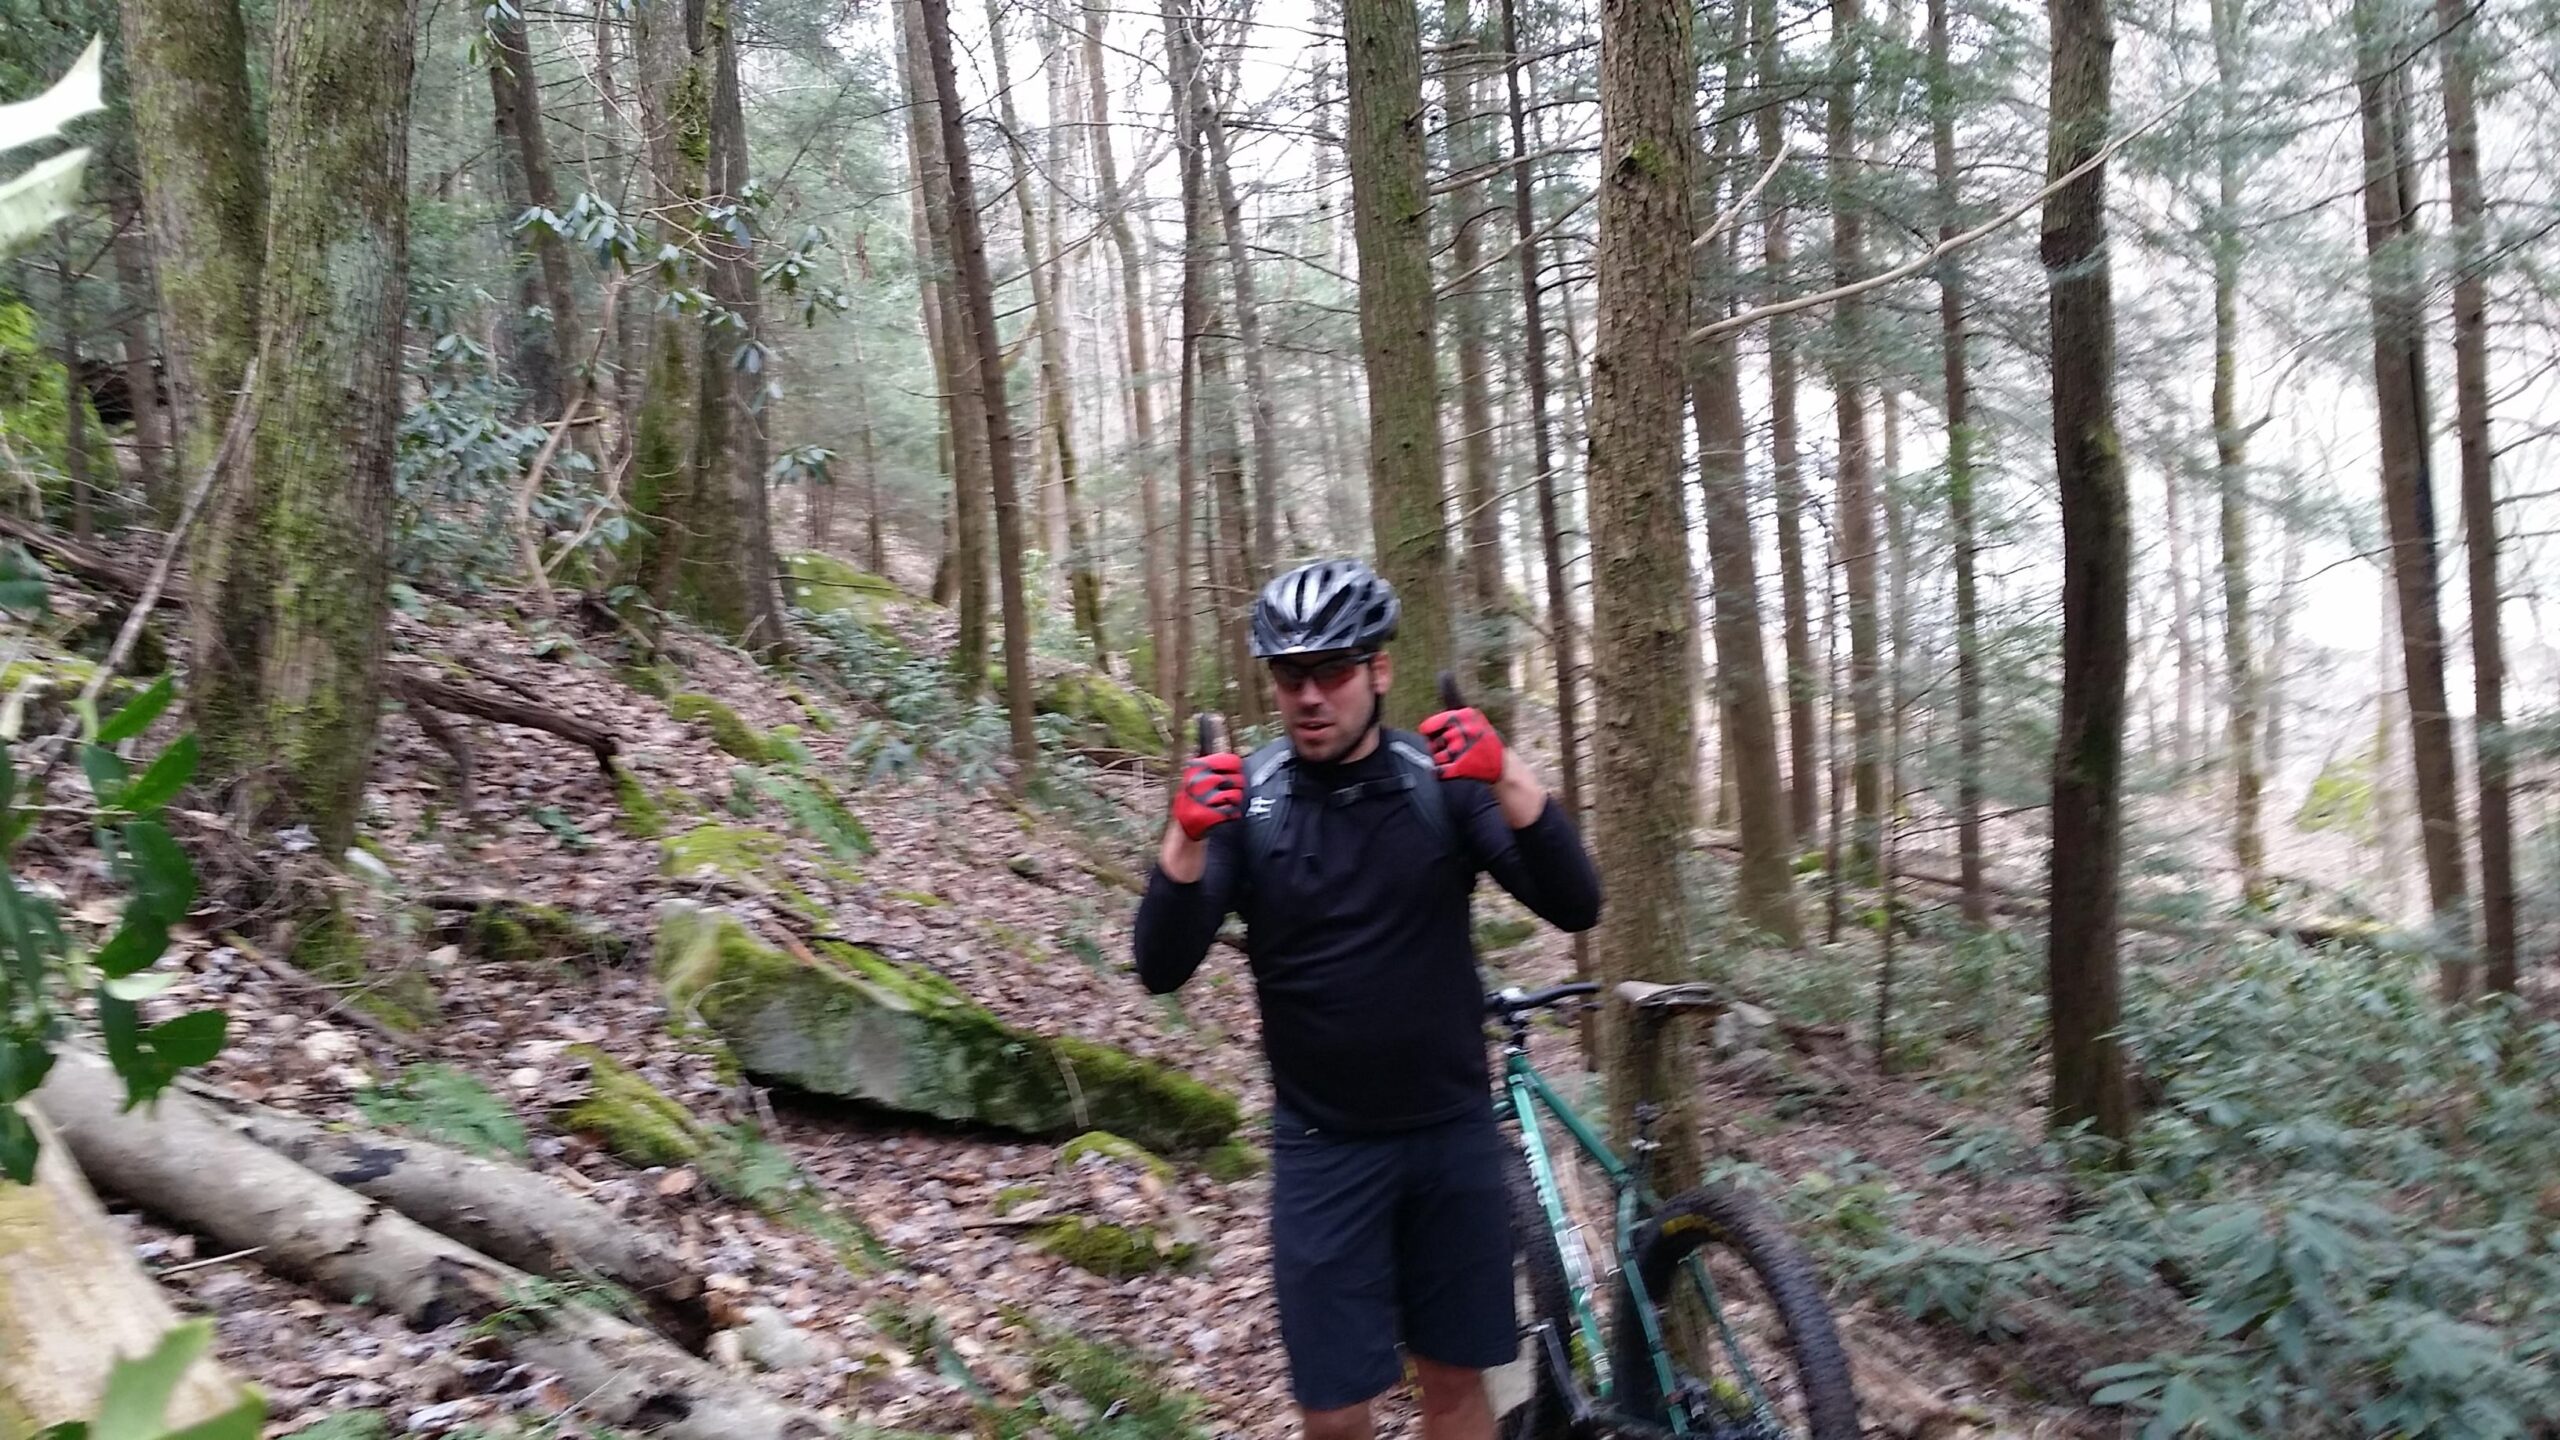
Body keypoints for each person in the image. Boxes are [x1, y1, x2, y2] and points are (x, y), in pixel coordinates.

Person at [1133, 557, 1602, 1440]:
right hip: (1323, 1148)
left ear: (1378, 671)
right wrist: (1183, 840)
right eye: (1290, 675)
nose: (1311, 696)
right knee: (1336, 1416)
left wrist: (1510, 779)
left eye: (1334, 671)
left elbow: (1577, 903)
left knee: (1457, 1390)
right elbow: (1161, 967)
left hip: (1450, 1137)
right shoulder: (1250, 802)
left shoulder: (1441, 784)